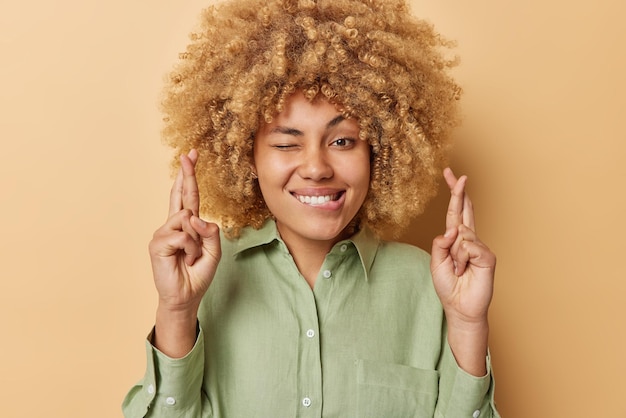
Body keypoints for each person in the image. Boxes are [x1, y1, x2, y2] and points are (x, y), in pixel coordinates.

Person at [123, 0, 500, 416]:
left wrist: (467, 326)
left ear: (378, 149)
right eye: (286, 143)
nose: (318, 168)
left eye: (342, 141)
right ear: (247, 156)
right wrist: (177, 311)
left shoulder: (429, 286)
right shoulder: (202, 282)